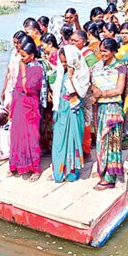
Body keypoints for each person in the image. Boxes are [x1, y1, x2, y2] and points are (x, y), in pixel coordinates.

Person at [90, 38, 127, 190]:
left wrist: (101, 94)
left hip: (112, 108)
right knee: (100, 141)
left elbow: (119, 90)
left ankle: (109, 177)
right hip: (100, 108)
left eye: (105, 51)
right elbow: (91, 83)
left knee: (111, 141)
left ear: (112, 51)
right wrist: (94, 90)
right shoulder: (97, 66)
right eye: (101, 50)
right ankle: (102, 169)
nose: (102, 54)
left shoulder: (121, 67)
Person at [51, 45, 90, 182]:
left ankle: (72, 171)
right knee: (59, 140)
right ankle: (58, 172)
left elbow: (81, 93)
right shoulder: (62, 72)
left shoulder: (83, 73)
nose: (64, 65)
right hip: (62, 109)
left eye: (66, 62)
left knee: (73, 139)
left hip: (74, 110)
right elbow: (58, 89)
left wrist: (72, 77)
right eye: (62, 62)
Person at [9, 42, 46, 181]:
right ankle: (18, 165)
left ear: (31, 55)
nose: (21, 58)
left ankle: (35, 168)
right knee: (16, 134)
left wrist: (23, 70)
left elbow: (29, 88)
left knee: (30, 136)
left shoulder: (37, 68)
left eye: (24, 56)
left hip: (29, 105)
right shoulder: (24, 64)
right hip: (19, 103)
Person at [70, 30, 98, 159]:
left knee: (86, 120)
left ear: (84, 41)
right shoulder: (72, 53)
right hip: (75, 91)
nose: (73, 43)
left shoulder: (88, 55)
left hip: (86, 92)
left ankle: (86, 151)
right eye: (72, 40)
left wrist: (94, 92)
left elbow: (95, 74)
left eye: (76, 41)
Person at [39, 33, 60, 155]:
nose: (42, 48)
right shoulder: (54, 55)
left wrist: (49, 91)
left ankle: (51, 146)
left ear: (50, 44)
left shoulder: (54, 56)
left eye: (43, 46)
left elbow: (53, 76)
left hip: (52, 92)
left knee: (50, 120)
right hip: (53, 92)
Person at [2, 30, 27, 108]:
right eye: (14, 43)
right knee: (7, 106)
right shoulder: (13, 52)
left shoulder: (24, 54)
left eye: (17, 43)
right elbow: (8, 71)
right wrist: (4, 88)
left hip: (18, 86)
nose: (16, 45)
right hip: (10, 84)